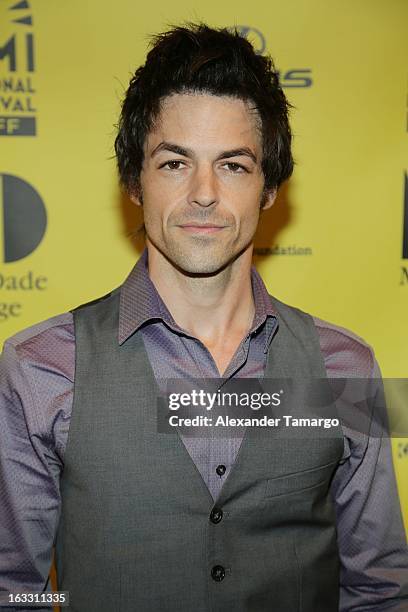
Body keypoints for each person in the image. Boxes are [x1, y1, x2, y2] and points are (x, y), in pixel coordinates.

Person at [0, 22, 407, 612]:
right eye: (174, 163)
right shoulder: (39, 367)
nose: (204, 193)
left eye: (235, 165)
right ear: (134, 181)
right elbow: (15, 592)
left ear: (269, 189)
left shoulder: (344, 366)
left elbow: (379, 591)